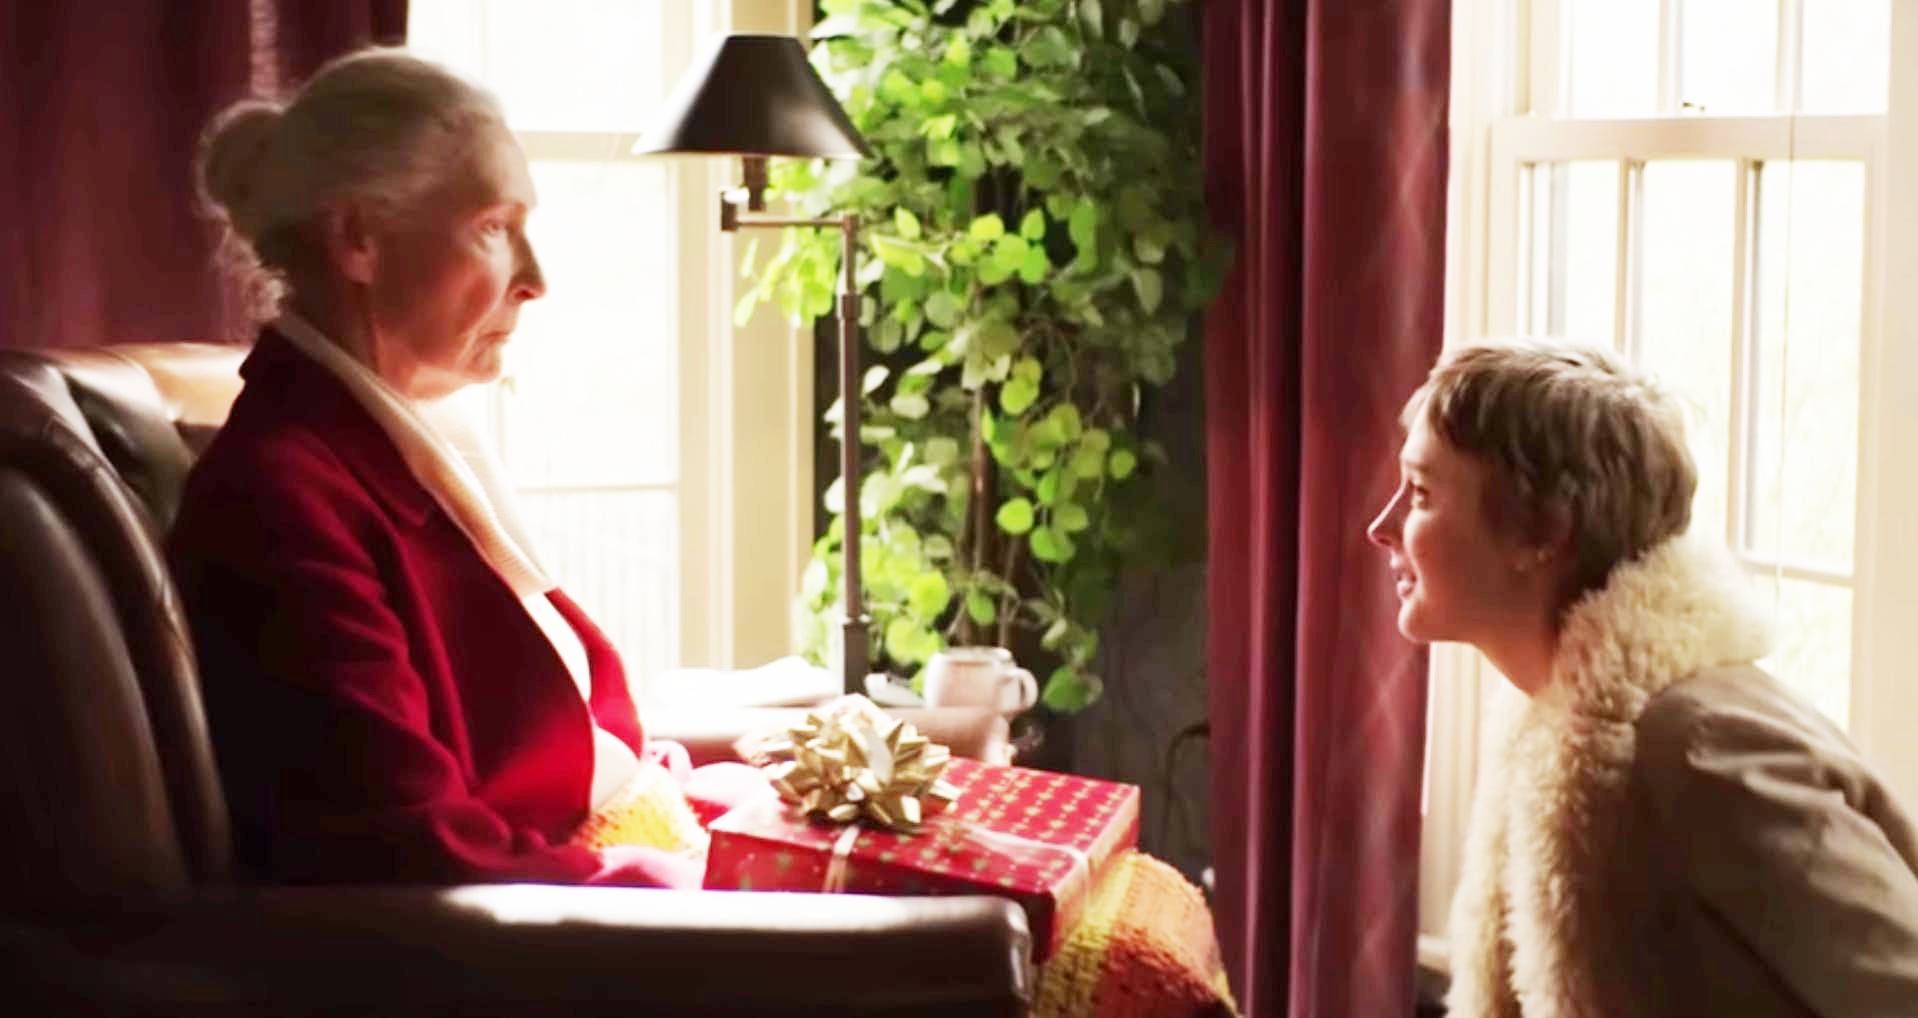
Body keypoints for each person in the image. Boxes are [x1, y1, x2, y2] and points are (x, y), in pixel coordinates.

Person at [171, 48, 737, 889]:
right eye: (492, 228)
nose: (535, 281)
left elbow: (531, 734)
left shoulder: (408, 441)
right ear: (358, 239)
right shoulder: (283, 499)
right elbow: (410, 845)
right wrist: (646, 876)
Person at [1366, 341, 1918, 1015]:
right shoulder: (1547, 727)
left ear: (1542, 531)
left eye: (1421, 493)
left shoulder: (1699, 746)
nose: (1380, 527)